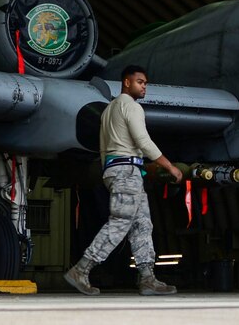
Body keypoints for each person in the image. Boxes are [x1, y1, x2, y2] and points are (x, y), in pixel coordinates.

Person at [64, 65, 184, 296]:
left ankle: (147, 277)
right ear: (126, 83)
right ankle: (81, 269)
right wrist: (169, 166)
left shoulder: (109, 110)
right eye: (140, 82)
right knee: (121, 222)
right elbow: (143, 140)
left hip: (119, 170)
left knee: (142, 224)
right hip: (126, 172)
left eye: (146, 83)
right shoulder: (131, 107)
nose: (144, 87)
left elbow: (103, 147)